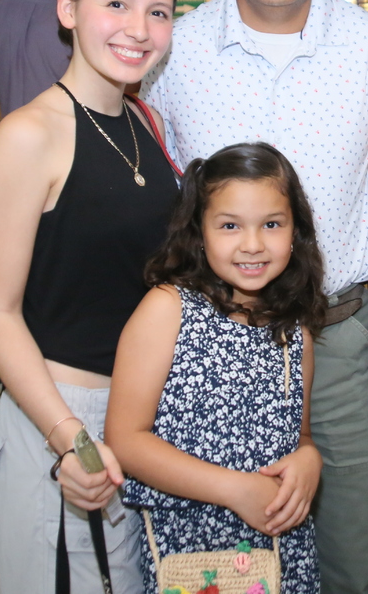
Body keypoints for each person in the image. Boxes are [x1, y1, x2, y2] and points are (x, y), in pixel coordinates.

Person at [145, 0, 368, 594]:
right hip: (216, 346)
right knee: (227, 566)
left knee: (350, 555)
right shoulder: (175, 52)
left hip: (339, 339)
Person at [0, 0, 180, 594]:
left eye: (158, 12)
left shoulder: (143, 121)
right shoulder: (28, 136)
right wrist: (69, 437)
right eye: (116, 4)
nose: (138, 29)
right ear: (68, 9)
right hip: (64, 411)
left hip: (139, 413)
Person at [108, 141, 326, 594]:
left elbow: (299, 434)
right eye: (230, 225)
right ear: (199, 231)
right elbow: (126, 439)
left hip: (280, 552)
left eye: (272, 224)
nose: (253, 244)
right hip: (190, 554)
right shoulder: (168, 309)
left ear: (296, 230)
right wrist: (235, 490)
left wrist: (309, 458)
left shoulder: (294, 330)